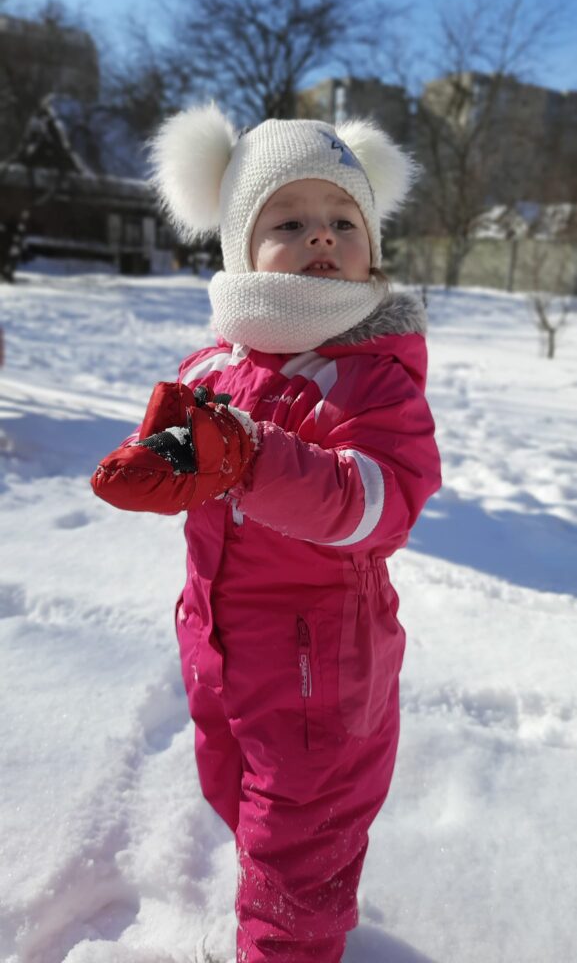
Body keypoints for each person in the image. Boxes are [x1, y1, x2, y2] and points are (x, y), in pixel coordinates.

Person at [91, 105, 442, 963]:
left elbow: (377, 500)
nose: (321, 237)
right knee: (237, 795)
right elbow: (193, 456)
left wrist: (251, 457)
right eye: (289, 221)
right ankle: (278, 897)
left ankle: (287, 938)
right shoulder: (216, 365)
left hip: (322, 677)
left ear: (371, 240)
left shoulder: (368, 373)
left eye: (342, 220)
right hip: (222, 651)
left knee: (298, 850)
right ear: (240, 244)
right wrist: (164, 461)